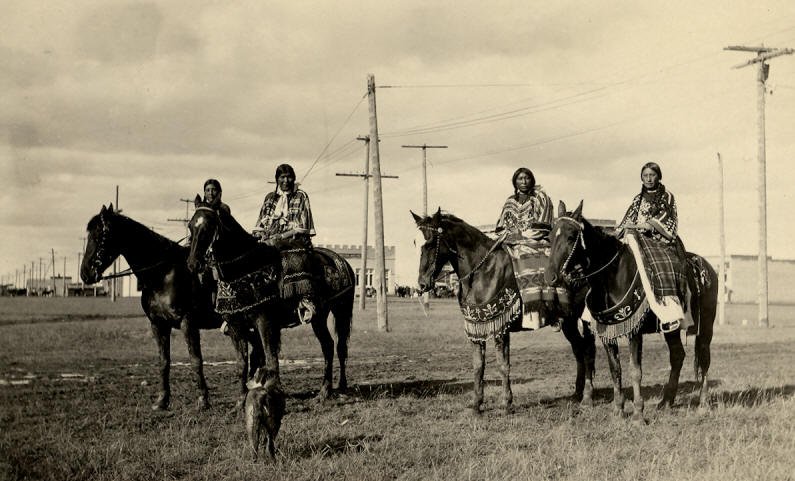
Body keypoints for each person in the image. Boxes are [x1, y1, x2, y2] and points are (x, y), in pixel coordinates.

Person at [615, 162, 688, 332]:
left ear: (658, 176)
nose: (648, 179)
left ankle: (671, 312)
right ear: (641, 177)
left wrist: (648, 225)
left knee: (663, 265)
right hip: (638, 238)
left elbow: (667, 217)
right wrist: (618, 232)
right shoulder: (637, 199)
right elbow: (628, 219)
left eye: (652, 175)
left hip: (659, 239)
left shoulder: (667, 196)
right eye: (645, 175)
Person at [495, 167, 564, 330]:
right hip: (511, 241)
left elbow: (544, 224)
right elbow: (501, 224)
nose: (523, 181)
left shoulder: (541, 197)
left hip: (536, 240)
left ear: (532, 180)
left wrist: (522, 235)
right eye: (520, 178)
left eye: (526, 178)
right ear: (515, 181)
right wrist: (508, 235)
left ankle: (550, 311)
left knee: (533, 261)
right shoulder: (510, 201)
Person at [253, 164, 317, 323]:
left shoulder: (301, 196)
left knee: (293, 259)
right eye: (282, 177)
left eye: (288, 177)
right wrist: (261, 234)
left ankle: (305, 300)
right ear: (277, 179)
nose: (285, 180)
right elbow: (260, 222)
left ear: (293, 178)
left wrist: (280, 236)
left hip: (294, 239)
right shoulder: (270, 198)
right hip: (269, 239)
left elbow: (302, 226)